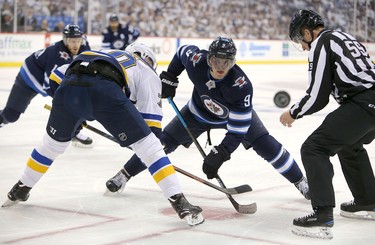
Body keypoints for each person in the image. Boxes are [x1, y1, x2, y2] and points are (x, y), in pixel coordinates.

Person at [2, 46, 204, 227]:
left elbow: (56, 76)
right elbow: (153, 131)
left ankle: (21, 188)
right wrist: (137, 142)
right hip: (105, 91)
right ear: (149, 60)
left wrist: (75, 113)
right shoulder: (148, 73)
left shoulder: (106, 53)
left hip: (69, 86)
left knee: (51, 146)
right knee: (151, 147)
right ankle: (180, 203)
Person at [105, 36, 311, 201]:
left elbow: (238, 130)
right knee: (160, 143)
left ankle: (301, 181)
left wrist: (222, 152)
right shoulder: (196, 61)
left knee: (266, 144)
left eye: (226, 62)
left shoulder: (241, 85)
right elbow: (180, 52)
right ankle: (124, 175)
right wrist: (171, 76)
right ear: (208, 58)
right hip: (196, 113)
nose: (220, 67)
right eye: (216, 60)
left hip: (231, 119)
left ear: (234, 62)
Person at [280, 9, 375, 239]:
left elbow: (318, 95)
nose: (302, 47)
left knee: (314, 148)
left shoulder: (321, 43)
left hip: (363, 103)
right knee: (349, 145)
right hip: (370, 101)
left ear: (306, 32)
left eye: (300, 40)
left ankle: (322, 215)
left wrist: (293, 112)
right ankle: (367, 201)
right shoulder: (344, 37)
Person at [0, 24, 93, 147]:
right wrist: (69, 106)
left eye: (78, 41)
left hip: (48, 79)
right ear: (65, 40)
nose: (76, 45)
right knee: (11, 115)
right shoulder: (56, 54)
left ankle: (74, 131)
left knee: (75, 102)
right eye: (72, 41)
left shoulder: (84, 46)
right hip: (28, 79)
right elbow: (50, 85)